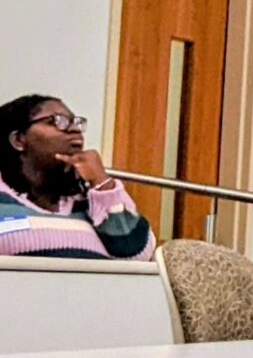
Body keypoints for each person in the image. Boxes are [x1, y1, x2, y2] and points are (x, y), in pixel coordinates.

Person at [0, 96, 154, 260]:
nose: (74, 129)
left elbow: (137, 254)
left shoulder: (94, 200)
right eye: (56, 121)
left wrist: (102, 184)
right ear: (18, 140)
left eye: (75, 122)